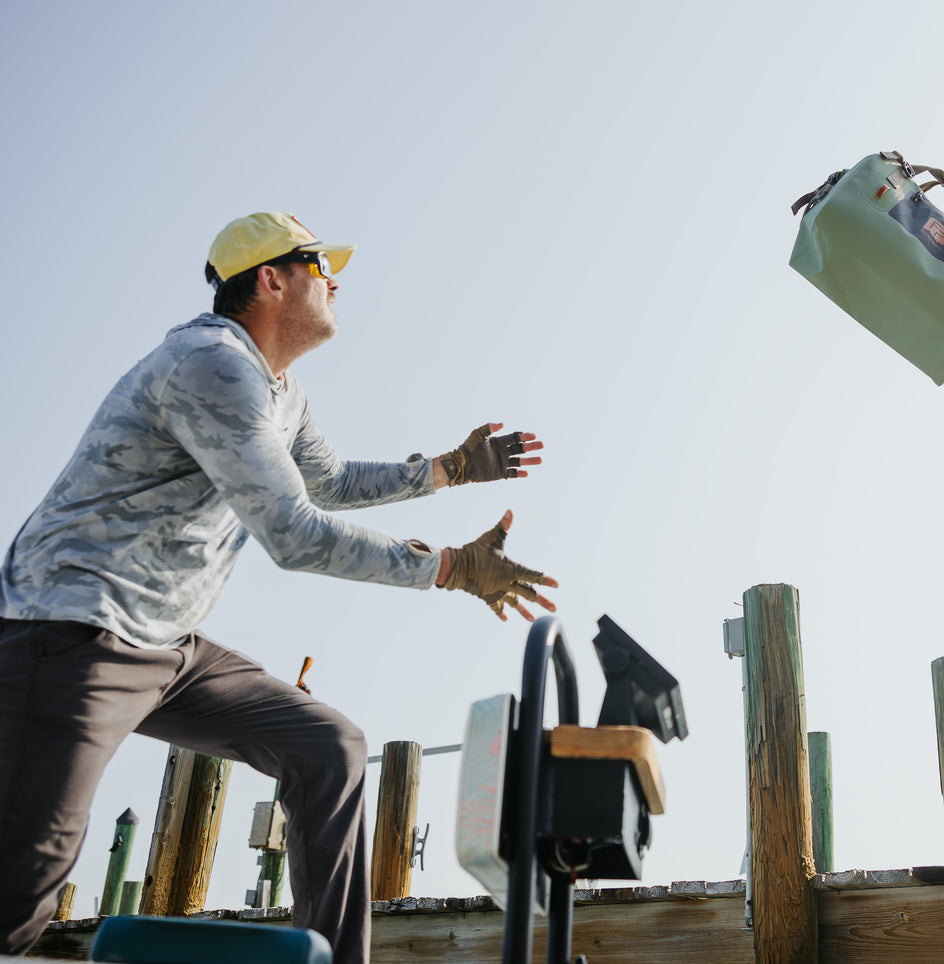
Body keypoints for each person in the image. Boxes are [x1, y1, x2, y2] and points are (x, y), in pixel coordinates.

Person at [0, 212, 560, 964]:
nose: (334, 283)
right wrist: (449, 569)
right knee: (23, 883)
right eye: (321, 267)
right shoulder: (210, 364)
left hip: (168, 646)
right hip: (71, 634)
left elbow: (324, 481)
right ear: (271, 278)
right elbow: (293, 533)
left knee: (329, 747)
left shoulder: (278, 388)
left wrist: (449, 469)